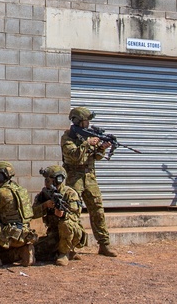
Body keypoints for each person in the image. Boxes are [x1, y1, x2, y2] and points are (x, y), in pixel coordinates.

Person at [61, 106, 118, 256]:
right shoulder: (68, 137)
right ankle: (69, 248)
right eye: (85, 121)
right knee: (72, 212)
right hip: (74, 177)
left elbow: (96, 157)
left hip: (90, 177)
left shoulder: (88, 135)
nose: (87, 124)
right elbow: (74, 156)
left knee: (97, 210)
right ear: (77, 121)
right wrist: (88, 143)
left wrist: (102, 148)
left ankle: (104, 244)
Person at [32, 164, 86, 266]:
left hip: (73, 233)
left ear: (58, 180)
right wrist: (45, 206)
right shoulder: (44, 194)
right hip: (54, 234)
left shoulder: (70, 194)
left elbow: (75, 216)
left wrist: (63, 214)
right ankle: (63, 252)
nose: (46, 182)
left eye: (48, 180)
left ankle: (64, 253)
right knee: (36, 251)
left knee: (65, 223)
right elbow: (31, 214)